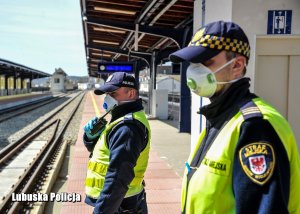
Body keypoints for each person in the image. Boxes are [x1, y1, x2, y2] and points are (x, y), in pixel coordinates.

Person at [169, 20, 300, 214]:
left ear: (237, 65)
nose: (195, 70)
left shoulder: (255, 126)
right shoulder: (222, 118)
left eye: (206, 62)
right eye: (194, 63)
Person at [83, 72, 151, 214]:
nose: (108, 98)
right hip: (118, 203)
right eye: (107, 93)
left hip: (119, 205)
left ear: (131, 93)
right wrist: (90, 138)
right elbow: (104, 154)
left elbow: (118, 179)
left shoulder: (127, 128)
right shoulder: (119, 119)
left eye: (113, 94)